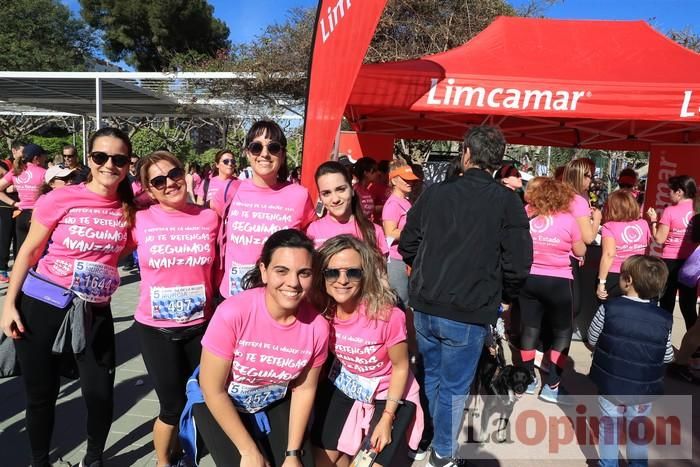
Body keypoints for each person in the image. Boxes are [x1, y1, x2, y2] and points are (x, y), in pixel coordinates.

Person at [0, 127, 135, 467]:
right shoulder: (60, 198)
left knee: (100, 395)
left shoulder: (131, 209)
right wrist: (8, 304)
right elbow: (29, 252)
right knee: (41, 395)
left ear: (128, 164)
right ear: (89, 159)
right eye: (101, 157)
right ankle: (39, 460)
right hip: (44, 304)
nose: (109, 165)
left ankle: (93, 458)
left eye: (118, 159)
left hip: (94, 311)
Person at [399, 125, 532, 467]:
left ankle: (431, 439)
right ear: (498, 162)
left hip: (431, 303)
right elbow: (518, 262)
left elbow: (408, 244)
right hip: (465, 309)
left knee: (434, 377)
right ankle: (442, 451)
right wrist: (505, 297)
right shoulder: (507, 202)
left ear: (466, 154)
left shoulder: (435, 194)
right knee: (453, 385)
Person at [193, 229, 329, 466]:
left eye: (304, 273)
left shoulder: (317, 327)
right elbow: (212, 388)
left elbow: (304, 390)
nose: (293, 283)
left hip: (274, 399)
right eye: (281, 271)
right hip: (221, 401)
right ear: (264, 271)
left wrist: (293, 453)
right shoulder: (233, 313)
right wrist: (248, 451)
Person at [132, 151, 219, 467]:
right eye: (158, 180)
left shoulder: (209, 218)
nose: (170, 182)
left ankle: (191, 452)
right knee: (171, 405)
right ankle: (162, 462)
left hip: (202, 328)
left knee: (205, 398)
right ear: (149, 190)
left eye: (174, 173)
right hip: (157, 331)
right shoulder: (139, 220)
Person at [310, 235, 423, 467]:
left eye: (352, 272)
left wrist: (387, 418)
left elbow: (402, 367)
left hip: (388, 393)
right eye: (333, 272)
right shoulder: (323, 311)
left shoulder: (388, 315)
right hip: (345, 387)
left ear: (365, 275)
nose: (342, 280)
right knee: (319, 462)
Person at [212, 121, 315, 299]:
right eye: (256, 147)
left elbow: (310, 242)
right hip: (234, 297)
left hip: (280, 298)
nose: (265, 154)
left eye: (273, 148)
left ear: (282, 155)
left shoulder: (300, 195)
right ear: (248, 153)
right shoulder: (229, 191)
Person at [588, 255, 673, 467]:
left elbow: (592, 337)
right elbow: (668, 355)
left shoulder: (609, 308)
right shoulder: (664, 319)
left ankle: (608, 463)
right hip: (644, 386)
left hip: (611, 381)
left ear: (628, 281)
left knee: (609, 424)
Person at [518, 177, 586, 401]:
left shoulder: (526, 213)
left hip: (529, 279)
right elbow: (580, 249)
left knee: (529, 329)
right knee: (562, 332)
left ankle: (527, 379)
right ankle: (553, 385)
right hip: (558, 281)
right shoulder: (568, 220)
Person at [647, 175, 698, 330]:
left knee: (666, 303)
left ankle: (664, 342)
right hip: (692, 262)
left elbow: (660, 239)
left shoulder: (670, 211)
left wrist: (654, 220)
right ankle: (695, 344)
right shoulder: (697, 209)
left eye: (670, 190)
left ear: (679, 192)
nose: (668, 193)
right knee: (688, 305)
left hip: (670, 262)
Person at [306, 161, 387, 255]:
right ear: (320, 197)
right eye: (326, 193)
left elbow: (380, 269)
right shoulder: (313, 230)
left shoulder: (374, 231)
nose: (335, 199)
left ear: (352, 190)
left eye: (341, 189)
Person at [596, 190, 651, 301]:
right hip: (639, 273)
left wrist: (601, 282)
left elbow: (609, 254)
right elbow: (647, 248)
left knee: (610, 311)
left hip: (616, 275)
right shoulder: (644, 224)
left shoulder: (609, 227)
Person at [382, 160, 418, 308]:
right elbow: (389, 232)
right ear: (394, 180)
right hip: (396, 259)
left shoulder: (405, 201)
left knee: (406, 301)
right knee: (400, 301)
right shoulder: (392, 204)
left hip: (406, 258)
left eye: (411, 179)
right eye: (406, 179)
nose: (410, 183)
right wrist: (415, 234)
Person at [0, 143, 48, 251]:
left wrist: (14, 203)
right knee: (37, 251)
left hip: (21, 215)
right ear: (36, 158)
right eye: (43, 156)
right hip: (38, 216)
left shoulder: (15, 171)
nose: (45, 158)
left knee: (21, 250)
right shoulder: (45, 173)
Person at [0, 157, 18, 283]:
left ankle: (18, 269)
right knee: (5, 237)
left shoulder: (10, 163)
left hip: (19, 205)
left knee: (18, 237)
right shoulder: (4, 164)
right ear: (14, 151)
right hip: (5, 204)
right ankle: (2, 269)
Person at [353, 157, 379, 222]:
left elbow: (370, 209)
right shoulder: (354, 191)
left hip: (368, 228)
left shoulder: (367, 190)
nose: (378, 173)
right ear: (366, 173)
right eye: (374, 170)